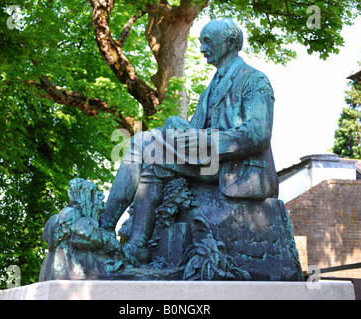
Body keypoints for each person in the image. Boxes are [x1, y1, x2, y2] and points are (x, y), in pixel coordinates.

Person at [100, 18, 279, 264]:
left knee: (143, 142)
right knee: (151, 156)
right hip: (207, 159)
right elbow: (195, 130)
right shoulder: (211, 88)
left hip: (236, 168)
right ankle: (136, 246)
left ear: (229, 43)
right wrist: (180, 126)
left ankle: (104, 228)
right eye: (200, 42)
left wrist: (204, 141)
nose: (202, 49)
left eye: (207, 42)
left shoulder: (255, 80)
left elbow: (257, 134)